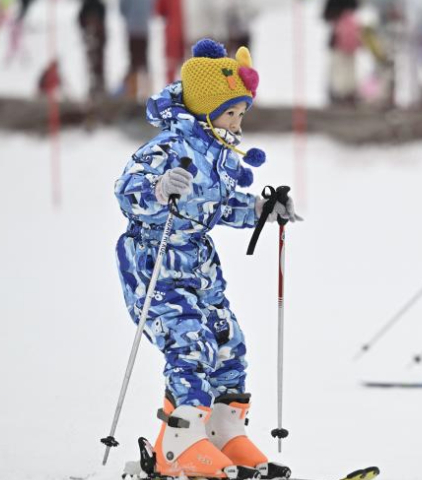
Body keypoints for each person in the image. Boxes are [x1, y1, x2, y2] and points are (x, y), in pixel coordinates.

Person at [114, 39, 300, 479]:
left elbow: (215, 205)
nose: (237, 123)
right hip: (154, 262)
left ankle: (221, 431)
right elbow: (127, 190)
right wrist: (158, 190)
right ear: (204, 108)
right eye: (230, 113)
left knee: (227, 341)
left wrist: (258, 209)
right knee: (190, 343)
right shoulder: (168, 147)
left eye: (241, 115)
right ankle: (178, 445)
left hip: (199, 266)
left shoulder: (216, 154)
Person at [119, 0, 151, 99]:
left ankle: (134, 92)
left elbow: (122, 9)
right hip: (143, 28)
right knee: (143, 61)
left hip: (132, 28)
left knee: (134, 62)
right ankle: (144, 92)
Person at [78, 0, 107, 98]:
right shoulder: (88, 6)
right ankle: (94, 88)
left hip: (96, 39)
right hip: (90, 39)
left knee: (98, 65)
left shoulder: (98, 6)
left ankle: (99, 87)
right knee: (91, 65)